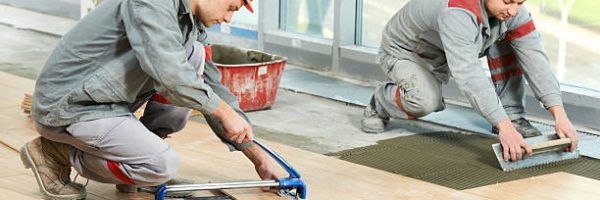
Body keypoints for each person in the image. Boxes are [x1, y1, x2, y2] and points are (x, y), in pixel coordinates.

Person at [20, 0, 278, 199]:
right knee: (163, 165)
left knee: (194, 55)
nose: (228, 18)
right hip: (70, 106)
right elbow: (168, 71)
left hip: (105, 100)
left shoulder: (188, 22)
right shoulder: (151, 3)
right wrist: (222, 111)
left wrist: (259, 157)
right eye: (231, 7)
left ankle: (137, 162)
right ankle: (54, 152)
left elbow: (210, 86)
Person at [362, 0, 579, 162]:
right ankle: (379, 103)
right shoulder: (456, 11)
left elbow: (535, 59)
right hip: (408, 52)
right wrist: (503, 127)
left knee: (511, 38)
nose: (513, 10)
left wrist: (560, 115)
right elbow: (469, 74)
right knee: (425, 101)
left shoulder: (511, 12)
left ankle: (512, 115)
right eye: (507, 1)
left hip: (446, 46)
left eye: (519, 2)